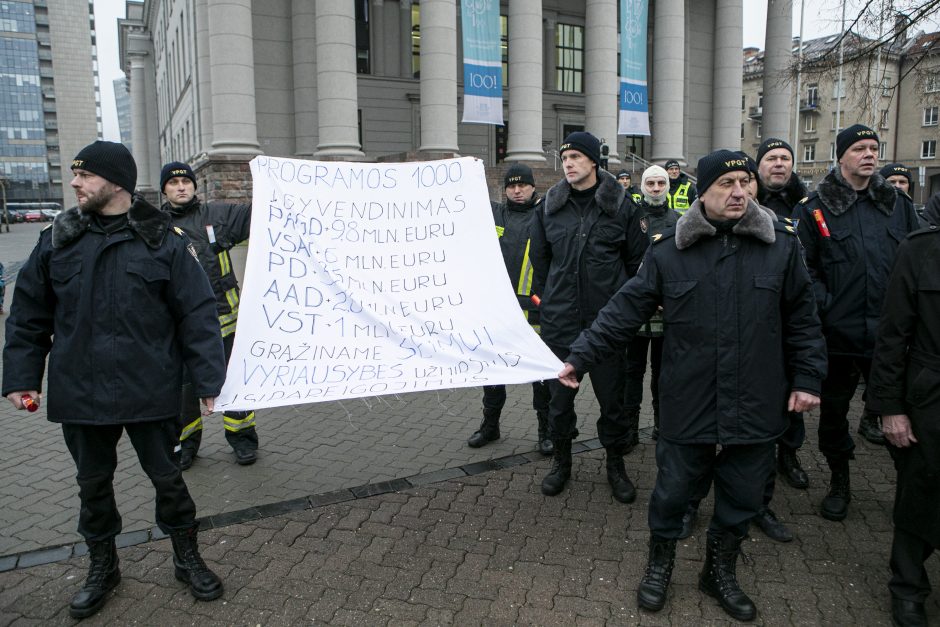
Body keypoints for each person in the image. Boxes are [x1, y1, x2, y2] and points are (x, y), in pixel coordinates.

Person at [558, 150, 826, 621]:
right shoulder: (667, 251)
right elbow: (623, 311)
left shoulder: (781, 246)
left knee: (743, 495)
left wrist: (806, 378)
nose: (739, 191)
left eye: (745, 181)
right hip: (689, 399)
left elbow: (803, 320)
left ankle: (718, 570)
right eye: (726, 184)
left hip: (757, 399)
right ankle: (660, 562)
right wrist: (580, 357)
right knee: (674, 493)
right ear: (702, 192)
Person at [2, 141, 227, 619]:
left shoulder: (164, 241)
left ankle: (187, 558)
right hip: (80, 392)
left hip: (150, 390)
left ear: (117, 183)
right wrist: (22, 376)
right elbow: (27, 315)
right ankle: (103, 567)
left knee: (169, 482)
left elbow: (199, 315)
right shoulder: (56, 240)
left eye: (85, 175)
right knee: (93, 487)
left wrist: (210, 383)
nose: (75, 183)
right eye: (75, 175)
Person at [794, 124, 921, 521]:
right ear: (841, 155)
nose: (869, 154)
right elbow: (803, 270)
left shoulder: (898, 205)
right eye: (859, 148)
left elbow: (918, 261)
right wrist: (828, 307)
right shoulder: (814, 208)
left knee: (899, 414)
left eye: (874, 148)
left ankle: (910, 494)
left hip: (889, 337)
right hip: (837, 337)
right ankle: (840, 481)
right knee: (834, 418)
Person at [529, 131, 647, 503]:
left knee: (613, 402)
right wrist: (552, 301)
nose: (568, 164)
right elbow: (541, 261)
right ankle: (562, 462)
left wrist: (620, 309)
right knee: (558, 403)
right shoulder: (548, 207)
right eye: (565, 158)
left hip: (606, 325)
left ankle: (615, 464)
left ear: (594, 162)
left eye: (576, 157)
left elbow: (636, 265)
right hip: (561, 324)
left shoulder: (622, 207)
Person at [866, 200, 939, 627]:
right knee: (922, 489)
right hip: (929, 395)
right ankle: (909, 585)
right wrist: (890, 408)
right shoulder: (919, 248)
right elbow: (892, 335)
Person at [159, 161, 257, 468]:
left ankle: (242, 440)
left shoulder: (215, 216)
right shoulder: (157, 226)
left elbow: (256, 214)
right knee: (183, 389)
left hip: (224, 320)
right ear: (164, 189)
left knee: (233, 384)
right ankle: (186, 444)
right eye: (173, 183)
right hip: (181, 326)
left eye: (185, 181)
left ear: (194, 186)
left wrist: (276, 186)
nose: (181, 187)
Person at [467, 163, 552, 455]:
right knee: (493, 374)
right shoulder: (494, 214)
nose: (517, 190)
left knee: (541, 376)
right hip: (498, 311)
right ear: (504, 190)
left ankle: (546, 430)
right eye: (512, 186)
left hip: (535, 310)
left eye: (523, 185)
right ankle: (491, 426)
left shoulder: (545, 216)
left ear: (532, 187)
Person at [622, 165, 678, 445]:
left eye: (660, 183)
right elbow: (626, 260)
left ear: (667, 186)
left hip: (665, 312)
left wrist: (666, 298)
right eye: (650, 183)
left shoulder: (678, 220)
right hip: (636, 309)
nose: (655, 188)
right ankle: (630, 427)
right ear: (642, 186)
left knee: (663, 373)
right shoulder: (632, 217)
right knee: (632, 372)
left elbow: (682, 265)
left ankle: (661, 424)